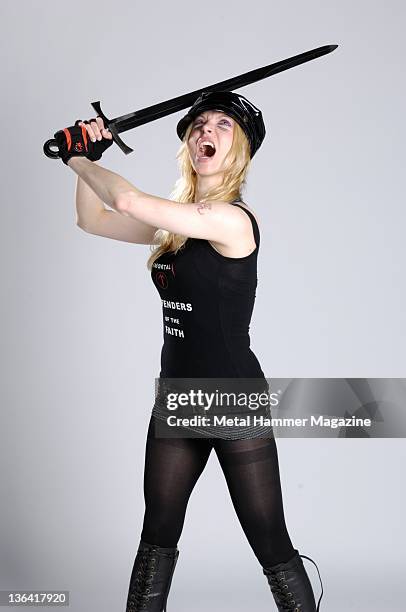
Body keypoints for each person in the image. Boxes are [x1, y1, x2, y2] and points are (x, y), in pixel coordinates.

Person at [54, 90, 323, 611]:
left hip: (231, 397)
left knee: (269, 540)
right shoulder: (174, 228)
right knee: (157, 535)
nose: (207, 130)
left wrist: (79, 156)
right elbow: (95, 220)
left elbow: (126, 201)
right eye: (200, 123)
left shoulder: (231, 221)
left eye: (223, 125)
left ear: (240, 150)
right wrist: (90, 160)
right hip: (176, 397)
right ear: (188, 144)